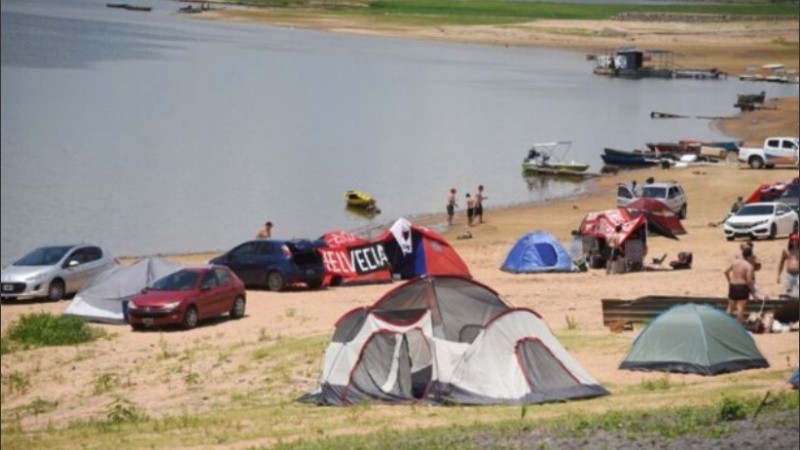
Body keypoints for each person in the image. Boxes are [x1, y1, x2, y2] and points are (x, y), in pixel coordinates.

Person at [777, 233, 800, 298]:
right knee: (788, 291)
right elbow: (781, 263)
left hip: (798, 273)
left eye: (796, 240)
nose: (794, 242)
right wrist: (779, 275)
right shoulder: (786, 250)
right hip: (789, 274)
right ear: (790, 241)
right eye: (793, 240)